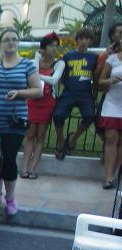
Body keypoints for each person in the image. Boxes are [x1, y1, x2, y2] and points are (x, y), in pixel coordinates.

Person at [0, 28, 42, 216]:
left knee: (9, 159)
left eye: (14, 39)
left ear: (18, 42)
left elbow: (38, 90)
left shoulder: (26, 65)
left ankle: (10, 197)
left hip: (14, 121)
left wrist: (19, 93)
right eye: (6, 40)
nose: (10, 43)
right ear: (0, 44)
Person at [21, 33, 65, 179]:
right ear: (43, 48)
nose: (54, 49)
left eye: (55, 46)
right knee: (30, 135)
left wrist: (37, 75)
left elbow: (53, 80)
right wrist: (36, 59)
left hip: (47, 103)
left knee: (40, 135)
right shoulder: (34, 61)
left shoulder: (59, 63)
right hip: (32, 101)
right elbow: (30, 76)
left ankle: (33, 168)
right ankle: (24, 168)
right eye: (50, 46)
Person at [53, 28, 98, 159]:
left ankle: (73, 138)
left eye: (87, 39)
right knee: (58, 115)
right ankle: (61, 141)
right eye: (81, 38)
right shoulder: (68, 56)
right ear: (77, 40)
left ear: (90, 41)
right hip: (69, 92)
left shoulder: (94, 57)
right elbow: (60, 74)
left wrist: (94, 96)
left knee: (90, 115)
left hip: (85, 94)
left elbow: (95, 78)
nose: (84, 41)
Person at [97, 42, 122, 188]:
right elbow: (100, 81)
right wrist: (110, 81)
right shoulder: (112, 59)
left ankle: (115, 174)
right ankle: (108, 177)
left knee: (121, 141)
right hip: (112, 103)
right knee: (111, 138)